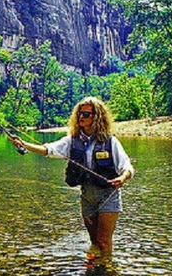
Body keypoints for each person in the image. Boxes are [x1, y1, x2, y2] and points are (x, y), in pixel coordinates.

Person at [9, 97, 134, 258]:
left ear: (97, 117)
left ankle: (106, 272)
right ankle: (94, 268)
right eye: (80, 113)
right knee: (94, 241)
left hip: (108, 195)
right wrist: (24, 144)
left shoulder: (110, 142)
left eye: (86, 114)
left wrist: (123, 178)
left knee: (103, 241)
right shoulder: (72, 141)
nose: (81, 117)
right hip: (87, 196)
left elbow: (127, 167)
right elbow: (48, 150)